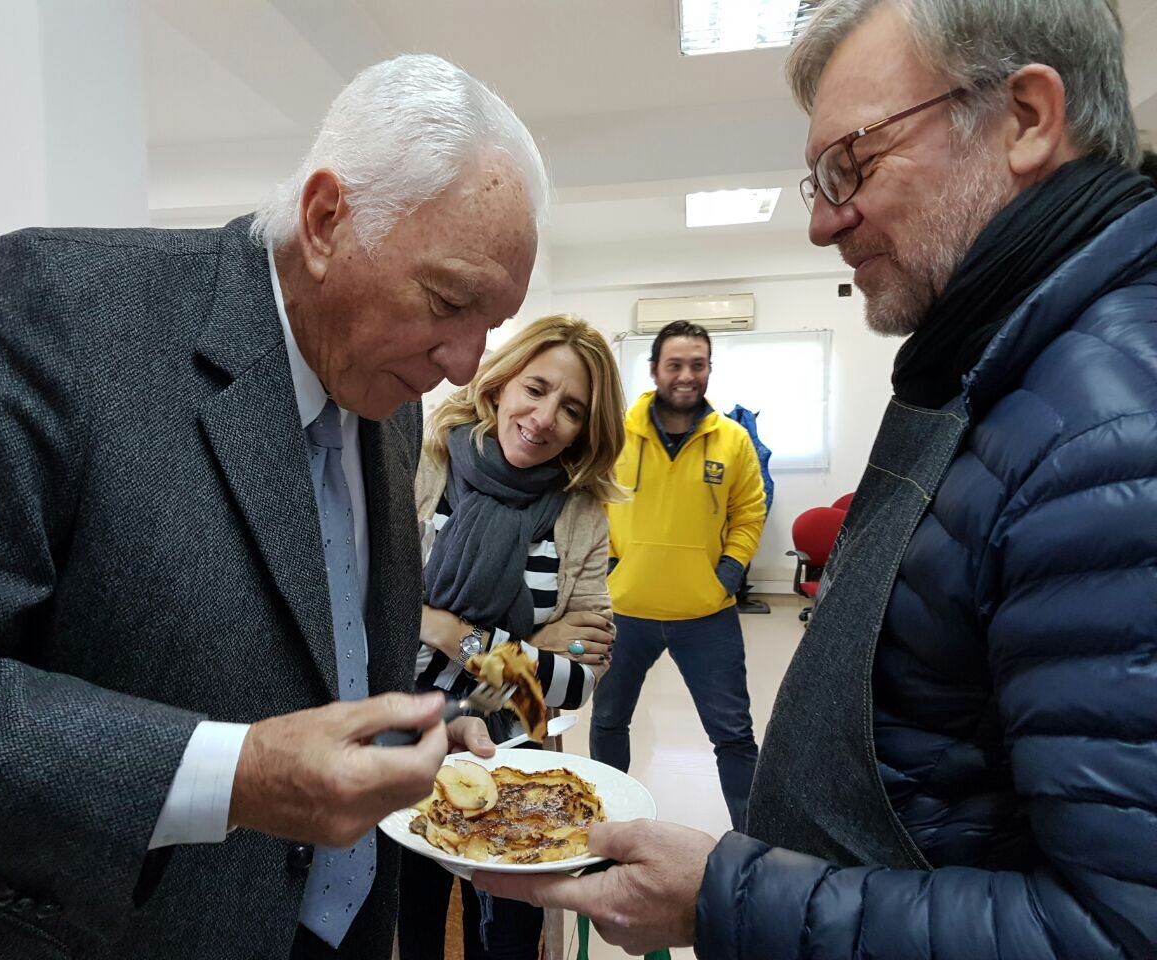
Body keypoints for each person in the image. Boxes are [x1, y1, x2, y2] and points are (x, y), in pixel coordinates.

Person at [477, 1, 1157, 956]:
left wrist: (729, 898)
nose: (824, 222)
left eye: (855, 163)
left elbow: (1118, 930)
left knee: (728, 737)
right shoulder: (992, 373)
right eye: (818, 179)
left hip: (707, 620)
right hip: (637, 613)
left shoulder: (1113, 429)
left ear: (1028, 119)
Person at [0, 54, 548, 960]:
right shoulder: (54, 314)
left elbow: (321, 647)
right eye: (447, 302)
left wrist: (414, 735)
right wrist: (231, 777)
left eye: (492, 324)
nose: (468, 365)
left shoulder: (389, 399)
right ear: (324, 219)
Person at [398, 313, 625, 960]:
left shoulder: (581, 514)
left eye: (572, 408)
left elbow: (580, 677)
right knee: (411, 923)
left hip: (515, 752)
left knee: (507, 936)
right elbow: (376, 618)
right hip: (406, 740)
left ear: (586, 428)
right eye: (536, 388)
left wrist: (449, 630)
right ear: (498, 388)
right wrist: (530, 644)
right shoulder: (424, 469)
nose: (546, 416)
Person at [588, 319, 766, 828]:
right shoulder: (616, 433)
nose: (687, 375)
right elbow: (589, 499)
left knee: (732, 735)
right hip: (623, 611)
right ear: (654, 371)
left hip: (706, 613)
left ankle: (751, 843)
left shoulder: (731, 440)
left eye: (698, 364)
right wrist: (609, 565)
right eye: (675, 365)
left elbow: (750, 510)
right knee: (607, 721)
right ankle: (609, 830)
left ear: (709, 369)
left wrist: (727, 573)